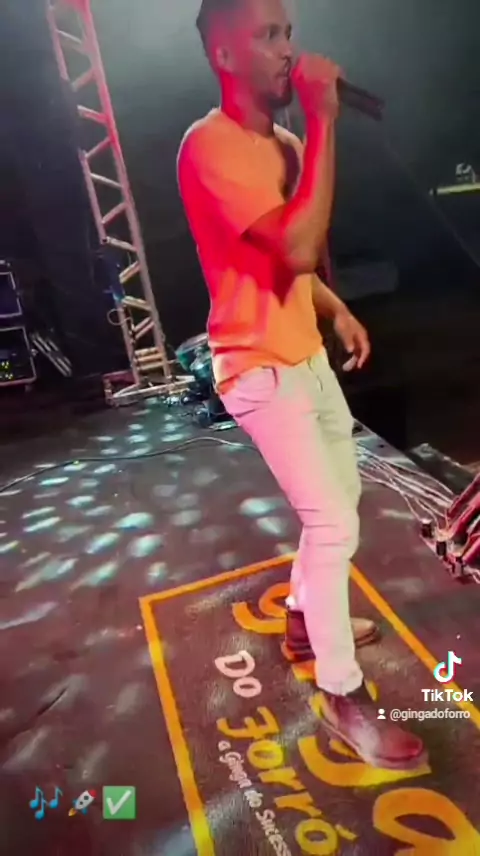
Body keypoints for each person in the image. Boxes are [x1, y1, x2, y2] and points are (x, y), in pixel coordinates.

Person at [177, 0, 427, 770]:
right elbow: (293, 246)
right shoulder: (208, 146)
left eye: (288, 31)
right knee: (333, 526)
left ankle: (299, 619)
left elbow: (295, 261)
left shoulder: (285, 145)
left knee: (342, 504)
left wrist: (337, 308)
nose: (289, 48)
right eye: (268, 34)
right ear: (224, 55)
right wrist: (323, 123)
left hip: (305, 356)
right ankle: (342, 694)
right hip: (256, 365)